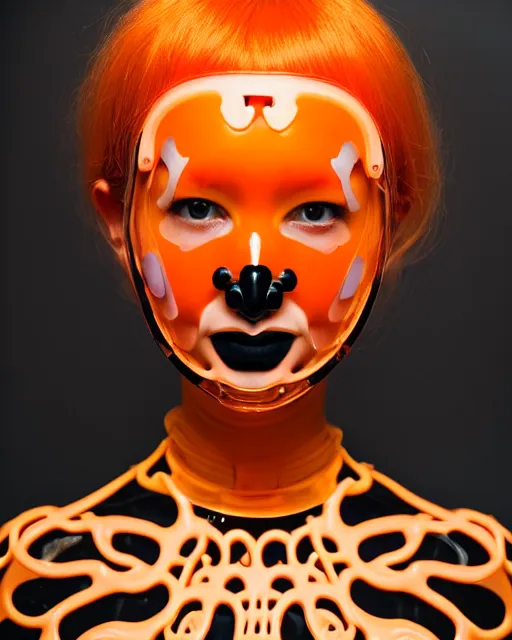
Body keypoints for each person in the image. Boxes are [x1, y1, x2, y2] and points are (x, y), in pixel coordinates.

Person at [1, 0, 511, 638]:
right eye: (197, 207)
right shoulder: (41, 582)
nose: (255, 281)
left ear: (389, 224)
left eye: (315, 213)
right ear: (118, 222)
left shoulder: (468, 587)